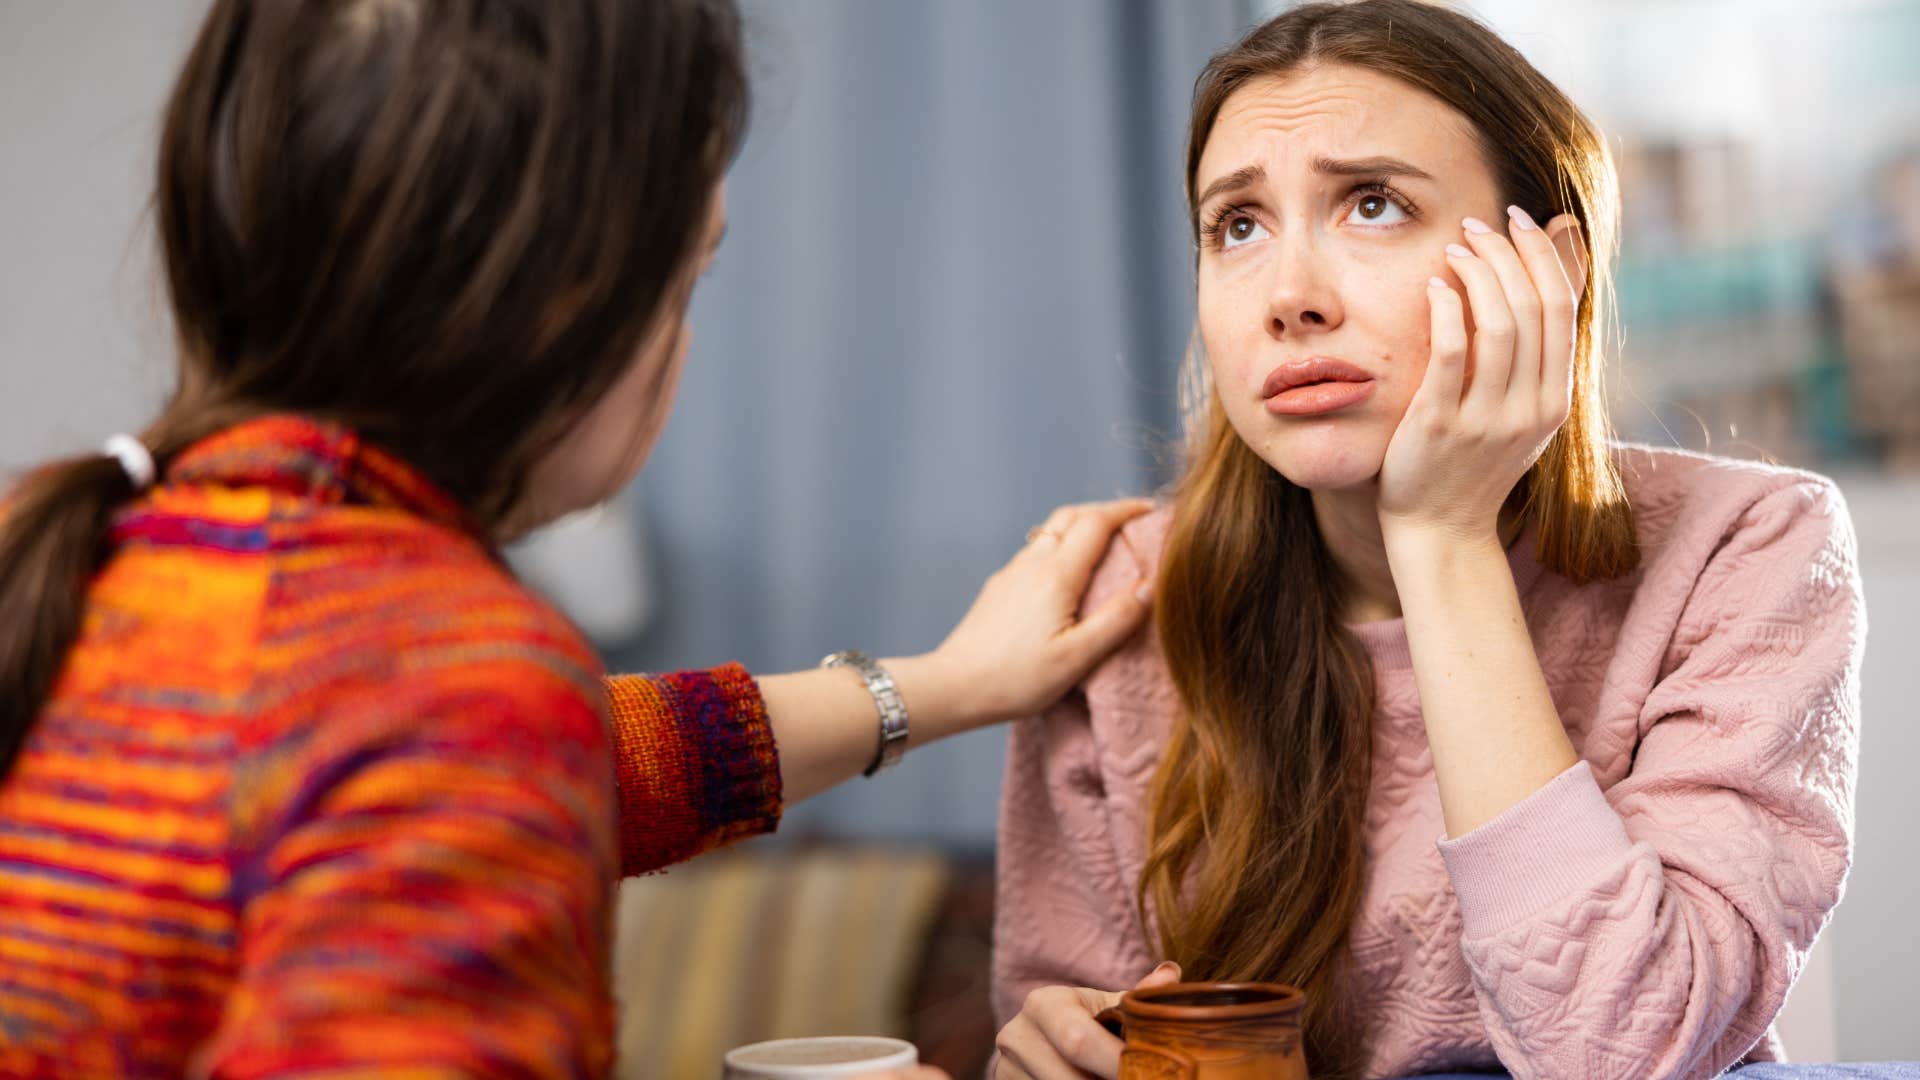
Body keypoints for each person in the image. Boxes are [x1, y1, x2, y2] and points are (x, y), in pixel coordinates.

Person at [0, 1, 1152, 1076]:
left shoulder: (100, 563)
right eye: (690, 271)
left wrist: (951, 683)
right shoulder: (446, 682)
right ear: (574, 299)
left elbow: (612, 757)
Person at [989, 3, 1864, 1079]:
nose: (1290, 300)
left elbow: (1622, 1051)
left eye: (1373, 204)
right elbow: (1084, 1021)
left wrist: (1443, 538)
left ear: (1550, 269)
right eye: (1239, 226)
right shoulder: (1122, 600)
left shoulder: (1749, 551)